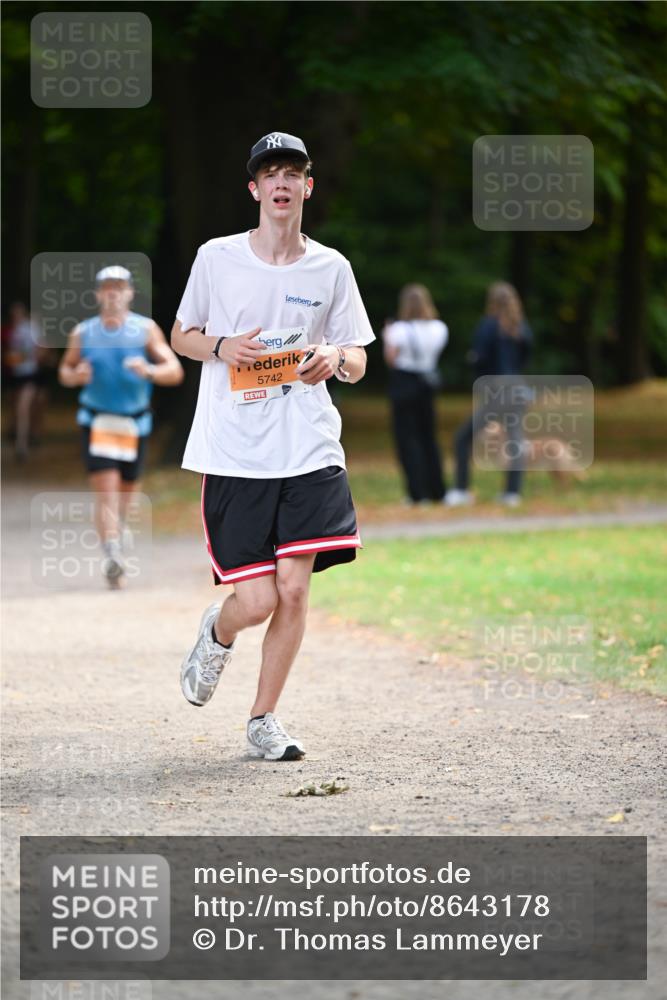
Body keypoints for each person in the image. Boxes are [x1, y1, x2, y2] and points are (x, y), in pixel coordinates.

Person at [171, 131, 375, 762]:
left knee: (293, 588)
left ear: (308, 187)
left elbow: (359, 357)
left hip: (310, 449)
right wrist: (221, 347)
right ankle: (217, 630)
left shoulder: (331, 267)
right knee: (254, 600)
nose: (282, 184)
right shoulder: (217, 257)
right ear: (254, 189)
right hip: (235, 450)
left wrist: (335, 358)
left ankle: (264, 719)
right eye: (271, 174)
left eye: (293, 173)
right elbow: (181, 335)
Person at [59, 266, 184, 587]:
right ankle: (112, 552)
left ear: (130, 293)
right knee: (107, 489)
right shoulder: (83, 332)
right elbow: (65, 371)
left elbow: (174, 370)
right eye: (107, 288)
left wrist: (149, 371)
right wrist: (77, 376)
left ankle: (117, 531)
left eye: (120, 287)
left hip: (134, 422)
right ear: (98, 294)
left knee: (127, 491)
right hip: (98, 419)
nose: (113, 293)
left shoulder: (145, 330)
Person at [445, 281, 533, 508]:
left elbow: (480, 357)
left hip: (496, 389)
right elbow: (525, 357)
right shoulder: (520, 327)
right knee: (515, 440)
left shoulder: (488, 325)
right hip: (517, 388)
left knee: (463, 437)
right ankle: (512, 493)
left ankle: (461, 489)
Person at [383, 284, 448, 504]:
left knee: (407, 439)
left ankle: (417, 493)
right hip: (427, 383)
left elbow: (392, 359)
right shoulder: (440, 328)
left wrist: (386, 337)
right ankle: (438, 490)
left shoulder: (398, 329)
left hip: (404, 382)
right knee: (429, 437)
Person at [4, 302, 52, 462]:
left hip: (31, 375)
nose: (16, 316)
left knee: (24, 407)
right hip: (15, 374)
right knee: (18, 408)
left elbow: (43, 349)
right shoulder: (11, 330)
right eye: (13, 314)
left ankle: (22, 444)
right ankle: (24, 435)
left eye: (18, 313)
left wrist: (39, 355)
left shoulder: (31, 329)